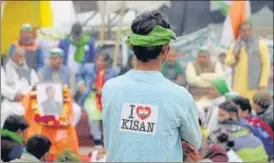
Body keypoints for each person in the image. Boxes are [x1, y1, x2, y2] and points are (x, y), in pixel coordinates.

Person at [102, 10, 202, 162]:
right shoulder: (179, 96)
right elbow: (194, 141)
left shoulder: (110, 88)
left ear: (133, 48)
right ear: (165, 49)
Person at [76, 52, 117, 146]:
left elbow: (116, 87)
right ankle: (97, 140)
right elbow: (78, 75)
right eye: (97, 59)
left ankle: (109, 142)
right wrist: (80, 84)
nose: (99, 62)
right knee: (93, 114)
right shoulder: (88, 67)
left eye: (102, 60)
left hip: (106, 97)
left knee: (111, 114)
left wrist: (105, 91)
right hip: (90, 95)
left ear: (107, 62)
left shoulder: (113, 72)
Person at [225, 22, 270, 101]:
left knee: (251, 109)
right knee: (238, 108)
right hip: (237, 86)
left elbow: (266, 65)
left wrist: (263, 84)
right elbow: (228, 62)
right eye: (244, 30)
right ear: (240, 32)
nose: (246, 32)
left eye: (248, 30)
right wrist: (235, 57)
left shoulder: (261, 45)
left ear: (252, 31)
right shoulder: (235, 45)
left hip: (253, 87)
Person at [37, 48, 81, 126]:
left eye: (55, 58)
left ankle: (68, 131)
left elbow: (73, 89)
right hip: (47, 101)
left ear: (61, 59)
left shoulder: (69, 71)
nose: (53, 61)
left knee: (77, 110)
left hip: (65, 100)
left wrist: (64, 97)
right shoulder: (42, 71)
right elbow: (40, 88)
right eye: (51, 59)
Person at [1, 47, 39, 127]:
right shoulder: (3, 69)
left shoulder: (30, 71)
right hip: (9, 103)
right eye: (17, 55)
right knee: (4, 112)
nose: (19, 58)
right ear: (12, 56)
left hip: (26, 103)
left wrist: (25, 95)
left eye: (22, 56)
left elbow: (35, 86)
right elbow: (1, 86)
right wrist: (14, 95)